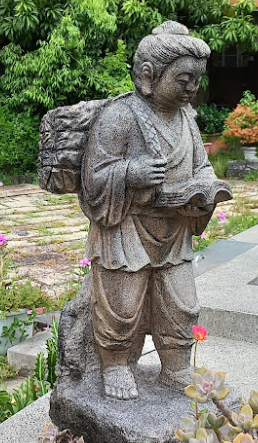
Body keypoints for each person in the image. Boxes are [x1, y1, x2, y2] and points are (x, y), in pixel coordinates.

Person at [79, 21, 218, 400]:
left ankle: (175, 367)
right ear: (147, 76)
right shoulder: (120, 116)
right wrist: (130, 172)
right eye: (184, 79)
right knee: (123, 307)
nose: (193, 88)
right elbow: (93, 179)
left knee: (181, 304)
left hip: (174, 230)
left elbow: (201, 165)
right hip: (126, 229)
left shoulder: (187, 120)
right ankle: (116, 365)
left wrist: (208, 187)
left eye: (197, 80)